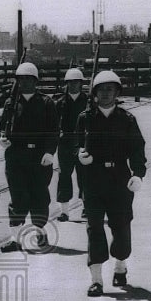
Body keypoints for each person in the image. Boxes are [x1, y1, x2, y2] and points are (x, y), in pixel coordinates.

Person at [77, 70, 147, 296]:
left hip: (119, 179)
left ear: (117, 92)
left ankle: (120, 265)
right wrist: (79, 154)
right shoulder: (85, 118)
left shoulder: (127, 119)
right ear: (94, 93)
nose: (105, 93)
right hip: (93, 179)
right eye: (101, 89)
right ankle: (96, 279)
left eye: (110, 89)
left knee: (121, 225)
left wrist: (138, 173)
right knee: (94, 227)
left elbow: (137, 149)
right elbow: (71, 144)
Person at [0, 62, 59, 253]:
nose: (24, 83)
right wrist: (2, 138)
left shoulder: (47, 103)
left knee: (39, 196)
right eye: (20, 79)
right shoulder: (11, 103)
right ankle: (15, 238)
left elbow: (54, 130)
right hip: (16, 156)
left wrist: (50, 152)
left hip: (39, 158)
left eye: (28, 79)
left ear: (35, 81)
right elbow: (3, 126)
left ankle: (40, 231)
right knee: (18, 197)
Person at [55, 67, 88, 222]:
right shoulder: (60, 103)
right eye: (71, 82)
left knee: (85, 176)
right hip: (65, 144)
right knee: (64, 176)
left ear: (81, 84)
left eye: (76, 82)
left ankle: (86, 207)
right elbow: (53, 123)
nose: (73, 85)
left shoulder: (88, 102)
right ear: (66, 84)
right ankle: (64, 211)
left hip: (83, 143)